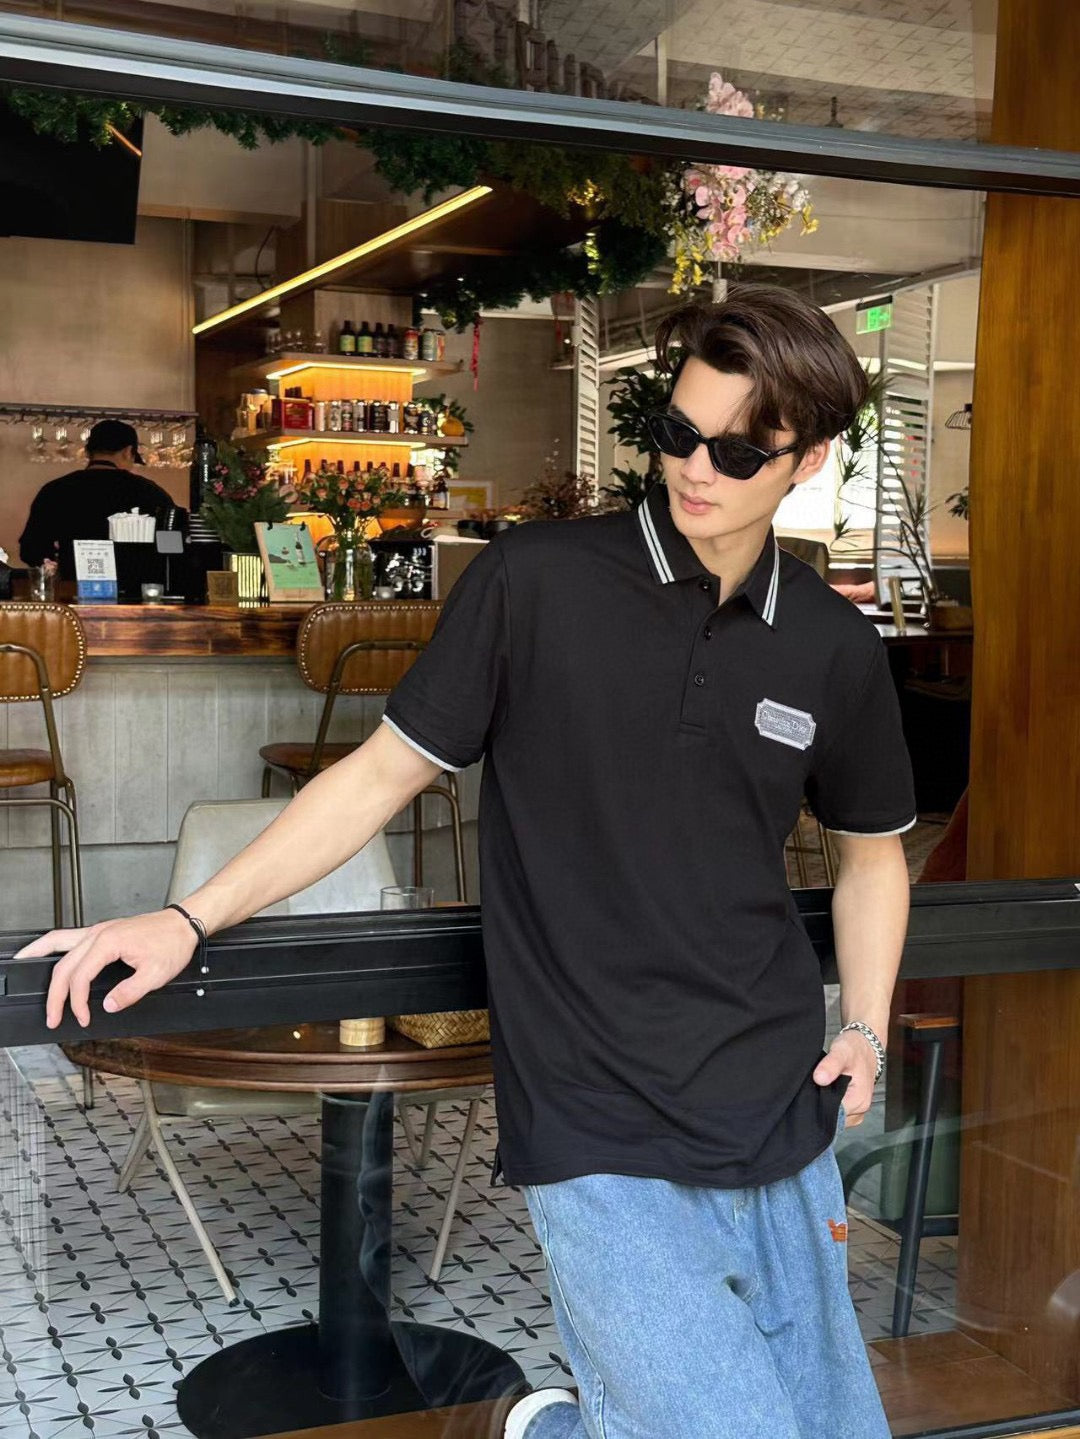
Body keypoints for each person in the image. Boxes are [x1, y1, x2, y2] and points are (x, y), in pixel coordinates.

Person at [19, 287, 915, 1439]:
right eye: (679, 433)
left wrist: (867, 1026)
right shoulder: (536, 581)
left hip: (778, 1090)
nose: (696, 469)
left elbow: (873, 856)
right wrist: (188, 916)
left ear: (811, 459)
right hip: (594, 1104)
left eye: (740, 452)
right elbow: (378, 776)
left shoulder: (832, 646)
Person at [19, 419, 180, 581]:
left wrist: (56, 565)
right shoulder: (148, 491)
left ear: (88, 452)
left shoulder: (56, 490)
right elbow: (173, 544)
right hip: (136, 588)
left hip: (72, 588)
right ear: (128, 451)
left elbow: (31, 549)